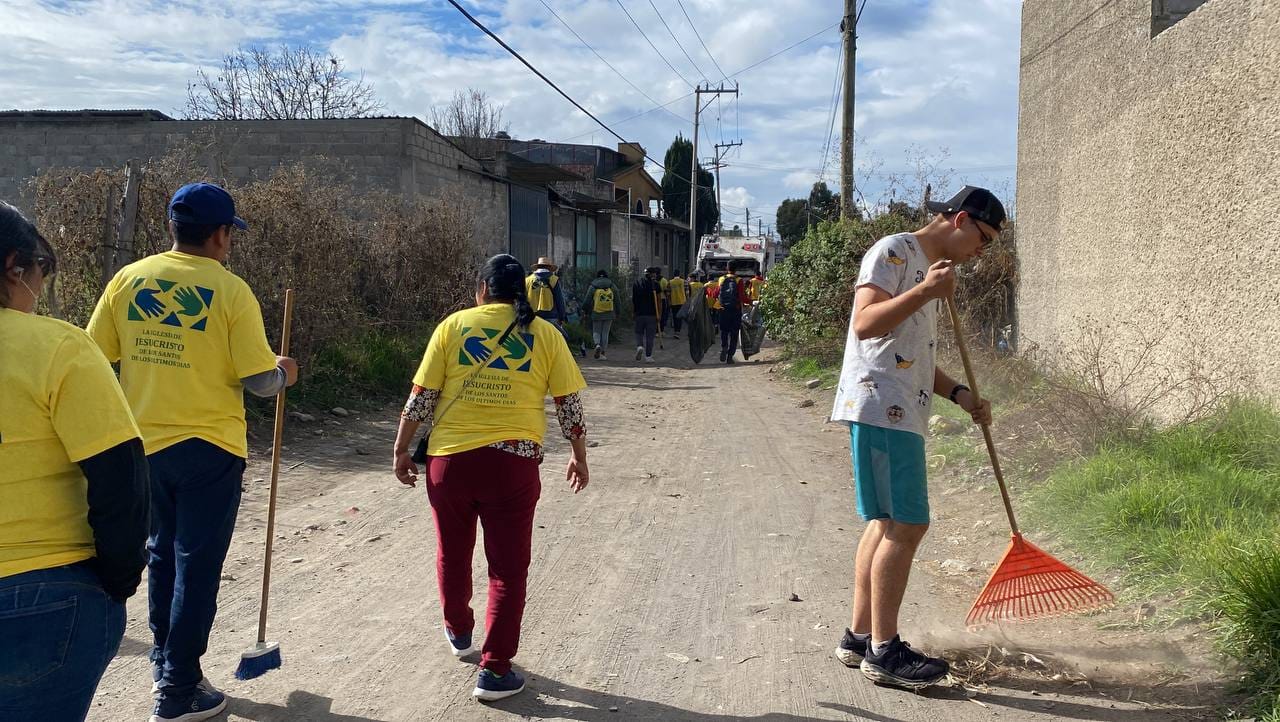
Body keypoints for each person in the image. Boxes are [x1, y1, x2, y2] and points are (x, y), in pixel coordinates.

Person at [86, 182, 299, 722]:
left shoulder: (129, 280)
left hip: (143, 445)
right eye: (231, 233)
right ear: (222, 234)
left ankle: (166, 662)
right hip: (210, 448)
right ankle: (178, 689)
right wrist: (283, 373)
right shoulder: (229, 291)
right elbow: (257, 382)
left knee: (161, 554)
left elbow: (94, 358)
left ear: (172, 229)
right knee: (196, 565)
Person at [392, 254, 589, 702]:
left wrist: (402, 448)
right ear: (523, 292)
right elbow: (568, 405)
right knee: (507, 570)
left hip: (450, 463)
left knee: (452, 552)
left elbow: (422, 397)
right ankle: (496, 671)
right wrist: (579, 456)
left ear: (481, 289)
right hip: (512, 465)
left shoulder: (453, 327)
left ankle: (459, 631)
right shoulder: (545, 334)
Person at [831, 185, 1000, 690]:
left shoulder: (927, 270)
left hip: (894, 407)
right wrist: (924, 291)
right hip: (883, 408)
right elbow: (864, 325)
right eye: (984, 239)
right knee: (908, 526)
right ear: (962, 220)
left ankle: (860, 637)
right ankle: (885, 652)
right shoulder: (894, 252)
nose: (980, 253)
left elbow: (911, 358)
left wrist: (961, 394)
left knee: (885, 523)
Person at [0, 202, 150, 722]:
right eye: (42, 267)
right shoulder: (58, 347)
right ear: (15, 266)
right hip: (45, 593)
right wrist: (117, 580)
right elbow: (120, 477)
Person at [525, 257, 567, 331]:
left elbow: (523, 299)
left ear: (537, 267)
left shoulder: (528, 280)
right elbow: (559, 300)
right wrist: (562, 317)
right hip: (551, 316)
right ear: (549, 267)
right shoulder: (554, 280)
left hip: (532, 317)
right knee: (550, 340)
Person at [583, 269, 617, 359]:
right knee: (605, 333)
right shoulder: (611, 285)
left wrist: (585, 310)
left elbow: (587, 300)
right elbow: (618, 299)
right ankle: (603, 353)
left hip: (596, 312)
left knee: (596, 331)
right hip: (609, 312)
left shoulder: (593, 286)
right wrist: (618, 311)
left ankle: (597, 344)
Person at [716, 272, 746, 364]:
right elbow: (741, 296)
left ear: (727, 269)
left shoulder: (721, 279)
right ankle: (730, 356)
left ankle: (724, 346)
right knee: (734, 333)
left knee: (724, 331)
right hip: (735, 310)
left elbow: (716, 293)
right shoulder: (739, 280)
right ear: (735, 270)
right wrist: (750, 301)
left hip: (723, 309)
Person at [632, 267, 660, 362]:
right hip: (652, 314)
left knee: (639, 333)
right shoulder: (655, 285)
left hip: (639, 313)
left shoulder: (637, 283)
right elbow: (659, 301)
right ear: (652, 274)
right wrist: (659, 314)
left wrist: (634, 312)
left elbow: (634, 300)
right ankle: (648, 356)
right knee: (650, 336)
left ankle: (639, 346)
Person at [667, 270, 687, 340]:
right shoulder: (684, 281)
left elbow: (668, 294)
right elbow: (687, 292)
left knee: (675, 317)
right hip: (682, 301)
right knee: (680, 317)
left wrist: (669, 301)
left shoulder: (670, 282)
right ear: (679, 274)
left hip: (674, 302)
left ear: (673, 274)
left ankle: (676, 331)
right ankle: (678, 331)